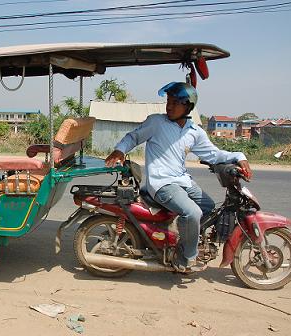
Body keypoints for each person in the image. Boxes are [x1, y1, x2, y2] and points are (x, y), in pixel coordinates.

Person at [105, 82, 253, 273]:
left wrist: (239, 156)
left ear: (188, 106)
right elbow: (133, 137)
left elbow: (214, 154)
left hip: (182, 181)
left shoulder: (194, 132)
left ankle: (179, 236)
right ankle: (184, 258)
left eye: (175, 102)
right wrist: (120, 149)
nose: (169, 106)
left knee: (208, 208)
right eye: (168, 101)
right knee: (192, 213)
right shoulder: (156, 122)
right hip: (162, 184)